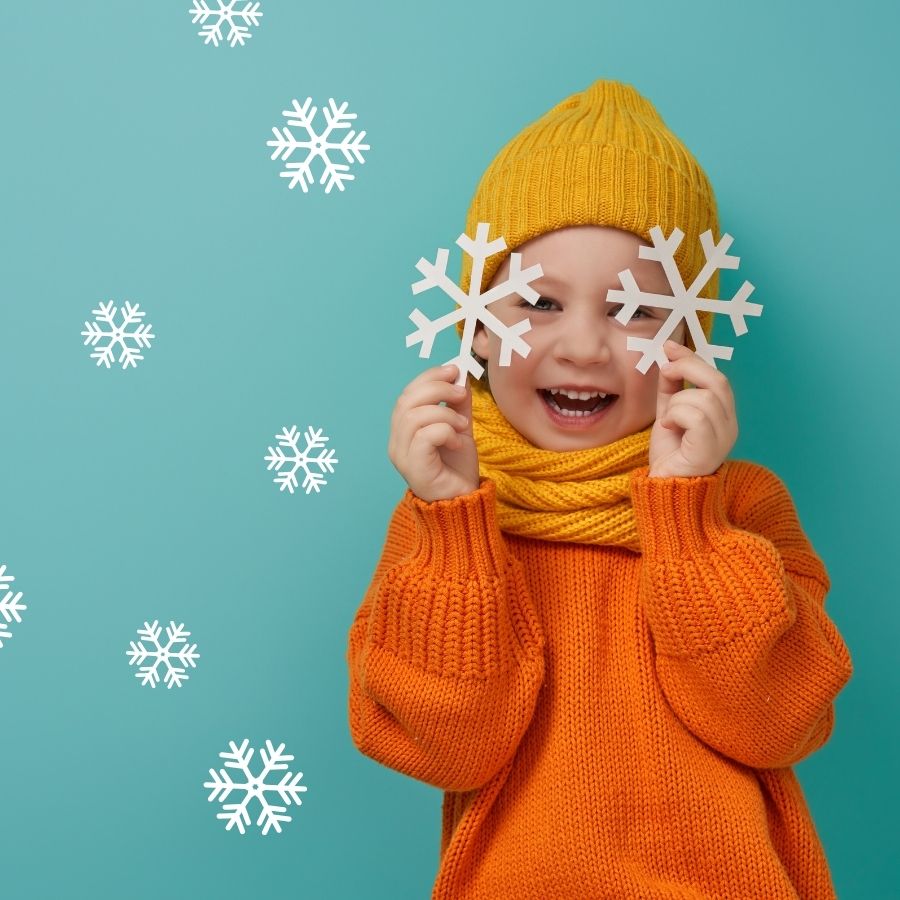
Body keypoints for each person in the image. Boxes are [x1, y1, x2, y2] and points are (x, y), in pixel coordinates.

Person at [346, 79, 853, 899]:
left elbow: (779, 720)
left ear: (693, 334)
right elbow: (447, 747)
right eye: (539, 303)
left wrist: (687, 513)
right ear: (473, 322)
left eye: (637, 310)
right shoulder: (448, 519)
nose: (583, 346)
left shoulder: (743, 505)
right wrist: (451, 522)